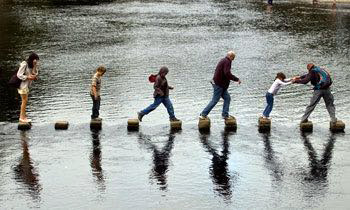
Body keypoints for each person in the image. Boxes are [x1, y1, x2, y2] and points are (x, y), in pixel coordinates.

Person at [200, 51, 241, 120]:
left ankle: (225, 114)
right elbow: (227, 73)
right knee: (215, 100)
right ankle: (203, 114)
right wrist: (237, 79)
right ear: (230, 56)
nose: (232, 60)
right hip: (219, 84)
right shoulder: (227, 62)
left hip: (221, 85)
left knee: (227, 98)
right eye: (233, 58)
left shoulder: (223, 60)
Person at [17, 52, 39, 123]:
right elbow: (19, 75)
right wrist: (27, 77)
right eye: (35, 60)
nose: (36, 61)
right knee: (24, 101)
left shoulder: (31, 65)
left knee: (25, 101)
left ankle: (23, 117)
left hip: (26, 86)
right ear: (32, 59)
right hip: (22, 86)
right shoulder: (24, 64)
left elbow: (34, 73)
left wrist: (35, 65)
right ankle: (22, 118)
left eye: (36, 60)